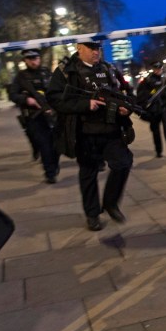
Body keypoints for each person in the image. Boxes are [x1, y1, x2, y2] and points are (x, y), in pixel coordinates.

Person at [46, 41, 134, 231]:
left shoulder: (108, 68)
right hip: (84, 133)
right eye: (91, 48)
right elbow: (54, 99)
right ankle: (92, 214)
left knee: (123, 162)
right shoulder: (65, 71)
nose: (96, 52)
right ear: (79, 48)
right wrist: (85, 105)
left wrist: (125, 109)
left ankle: (110, 203)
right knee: (88, 173)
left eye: (98, 48)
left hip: (111, 129)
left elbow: (124, 92)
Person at [9, 48, 60, 183]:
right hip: (35, 117)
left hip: (52, 114)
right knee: (45, 145)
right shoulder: (21, 77)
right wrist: (26, 100)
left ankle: (54, 166)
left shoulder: (46, 72)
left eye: (35, 58)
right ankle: (50, 173)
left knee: (56, 145)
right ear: (25, 60)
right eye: (30, 59)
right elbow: (13, 95)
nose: (33, 61)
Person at [137, 62, 166, 159]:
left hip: (165, 108)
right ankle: (158, 151)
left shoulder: (165, 80)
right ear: (153, 69)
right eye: (156, 68)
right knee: (156, 132)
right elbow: (141, 95)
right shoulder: (147, 81)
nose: (158, 70)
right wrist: (152, 93)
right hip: (153, 110)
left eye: (160, 68)